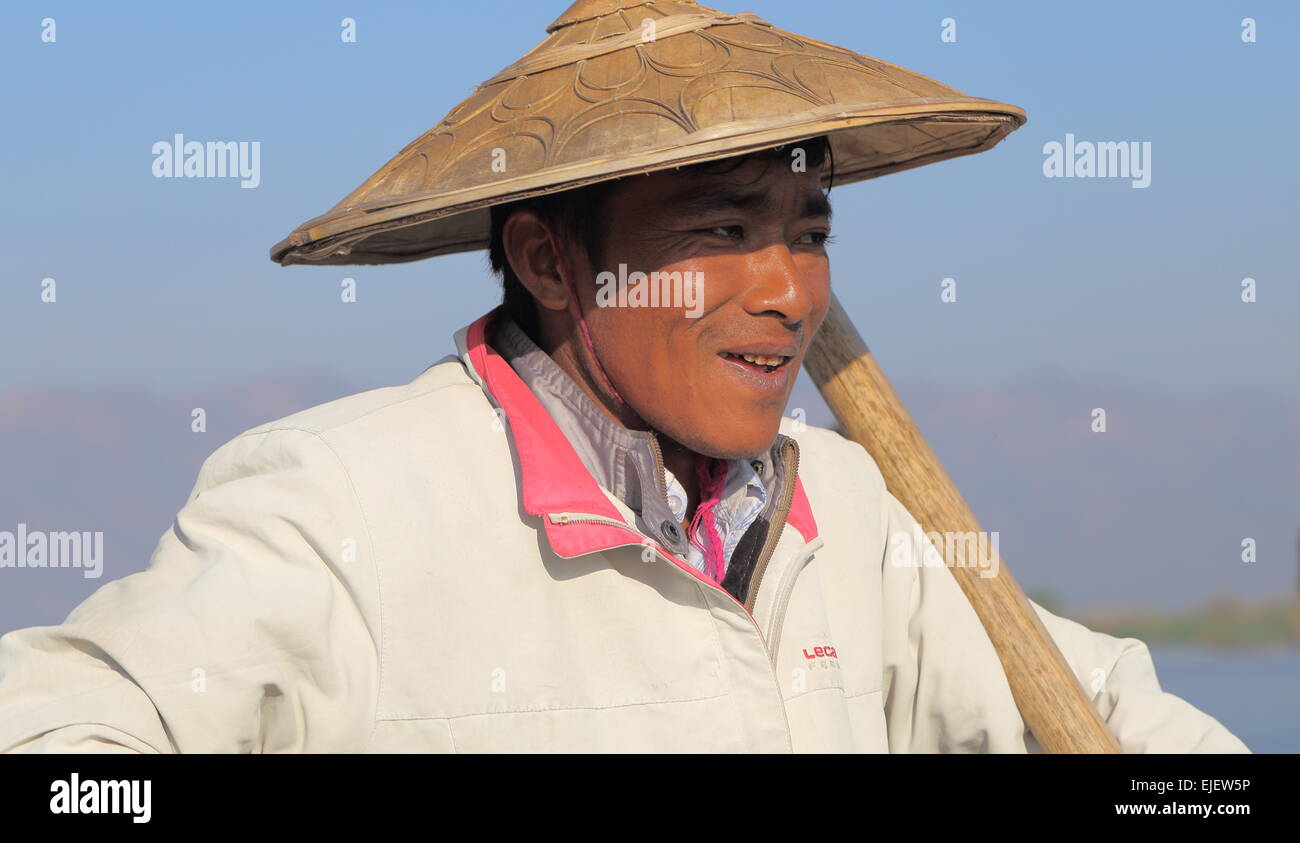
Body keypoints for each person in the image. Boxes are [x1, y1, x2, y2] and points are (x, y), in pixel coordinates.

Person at [0, 136, 1249, 753]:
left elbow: (1093, 709)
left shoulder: (849, 507)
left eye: (806, 233)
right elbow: (68, 736)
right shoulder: (339, 503)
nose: (787, 291)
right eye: (717, 229)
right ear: (550, 259)